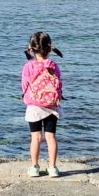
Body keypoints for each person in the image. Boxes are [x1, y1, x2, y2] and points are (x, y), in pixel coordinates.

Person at [21, 30, 63, 177]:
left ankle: (34, 167)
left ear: (31, 49)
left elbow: (24, 86)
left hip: (34, 106)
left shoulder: (28, 66)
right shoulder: (53, 65)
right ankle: (52, 168)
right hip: (52, 106)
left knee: (36, 137)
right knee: (51, 137)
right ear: (49, 48)